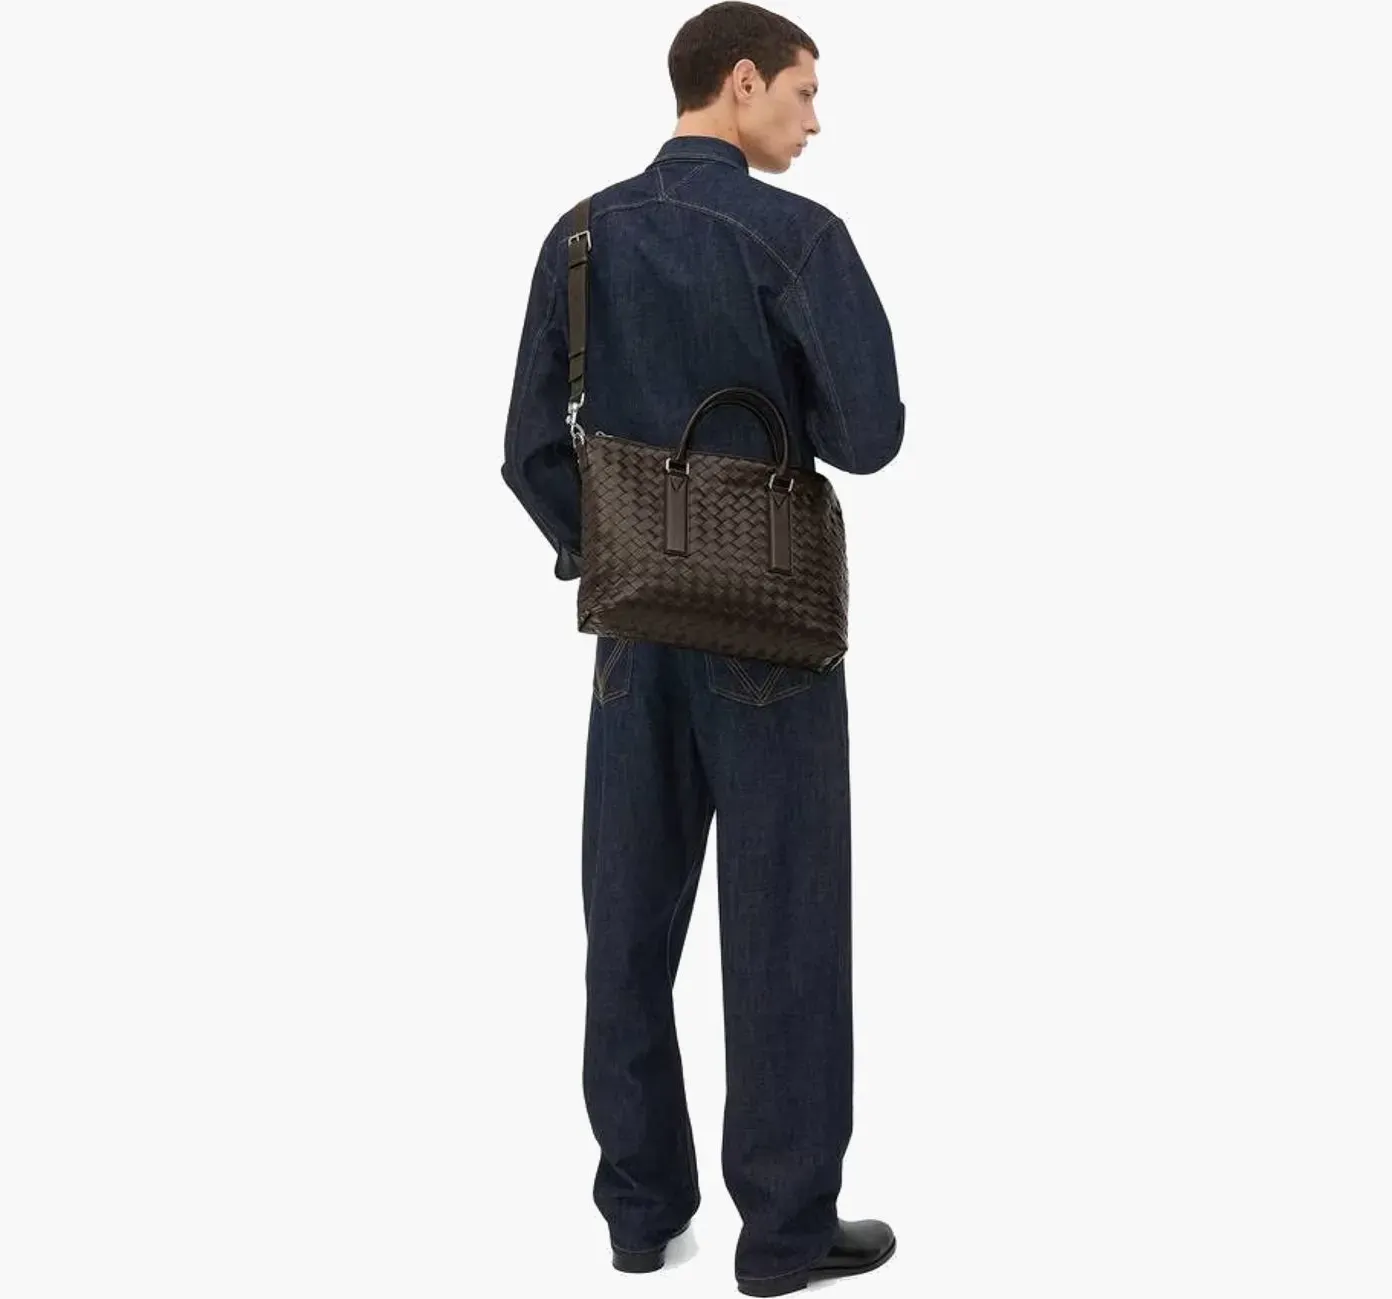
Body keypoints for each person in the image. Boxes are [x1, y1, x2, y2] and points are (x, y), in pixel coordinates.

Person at [498, 5, 904, 1294]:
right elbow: (871, 436)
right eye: (803, 91)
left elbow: (528, 450)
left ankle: (639, 1213)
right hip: (771, 633)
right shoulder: (800, 237)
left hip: (634, 636)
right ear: (740, 82)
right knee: (784, 928)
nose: (815, 120)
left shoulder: (579, 235)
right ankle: (782, 1237)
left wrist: (612, 550)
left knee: (627, 922)